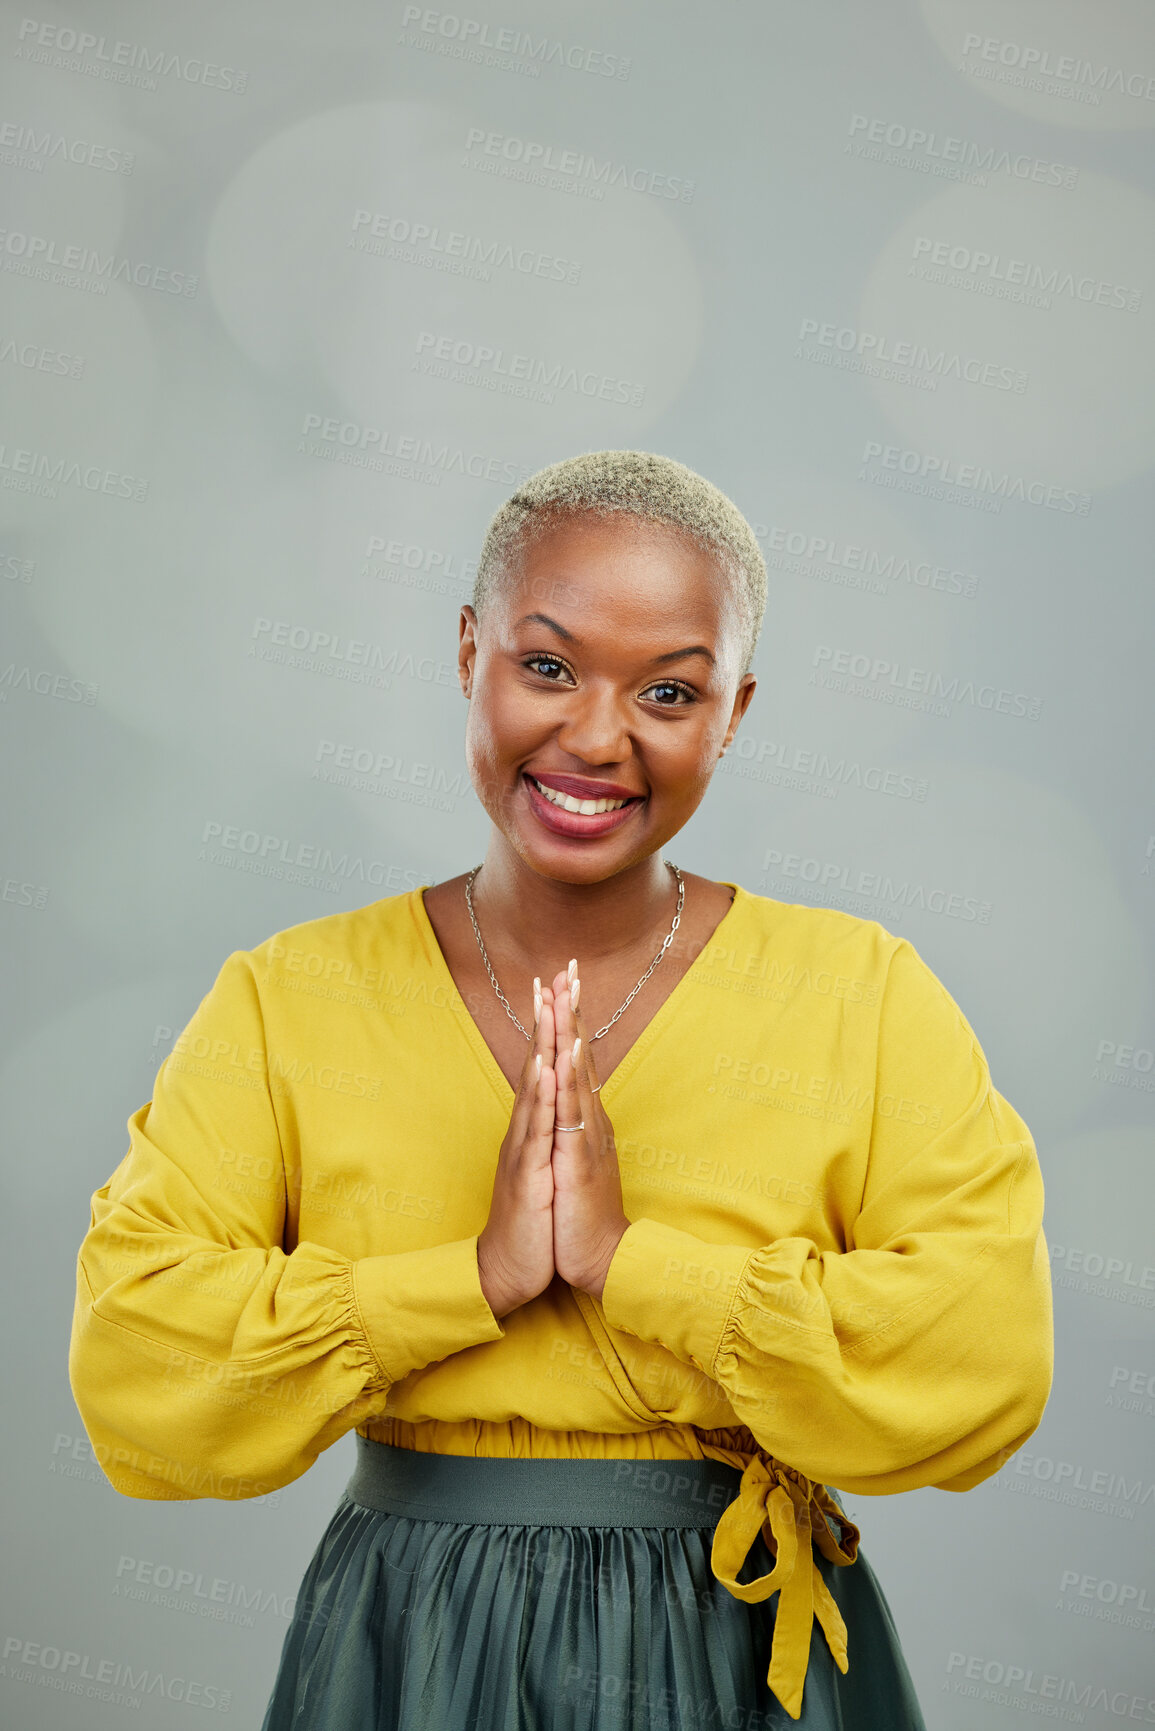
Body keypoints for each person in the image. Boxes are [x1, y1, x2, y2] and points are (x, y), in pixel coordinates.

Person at [69, 450, 1054, 1730]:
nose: (598, 736)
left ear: (736, 713)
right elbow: (137, 1365)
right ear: (468, 648)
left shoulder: (861, 992)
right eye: (546, 665)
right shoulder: (289, 996)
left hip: (736, 1640)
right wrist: (467, 1281)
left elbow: (982, 1355)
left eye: (669, 691)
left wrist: (635, 1266)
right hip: (411, 1635)